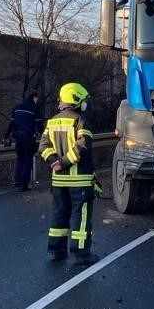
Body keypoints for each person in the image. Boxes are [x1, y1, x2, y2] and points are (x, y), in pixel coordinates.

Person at [39, 82, 98, 266]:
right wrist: (64, 162)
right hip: (79, 180)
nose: (85, 104)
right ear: (75, 100)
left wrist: (53, 162)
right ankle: (82, 254)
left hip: (59, 181)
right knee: (81, 217)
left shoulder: (52, 121)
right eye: (83, 100)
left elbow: (43, 146)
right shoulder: (81, 120)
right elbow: (83, 146)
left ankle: (57, 250)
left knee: (59, 214)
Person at [5, 92, 43, 190]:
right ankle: (23, 184)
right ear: (35, 97)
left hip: (18, 137)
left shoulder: (17, 107)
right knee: (28, 159)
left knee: (20, 158)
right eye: (37, 99)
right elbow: (39, 125)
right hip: (28, 136)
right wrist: (45, 135)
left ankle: (17, 181)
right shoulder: (35, 108)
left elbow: (11, 123)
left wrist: (5, 137)